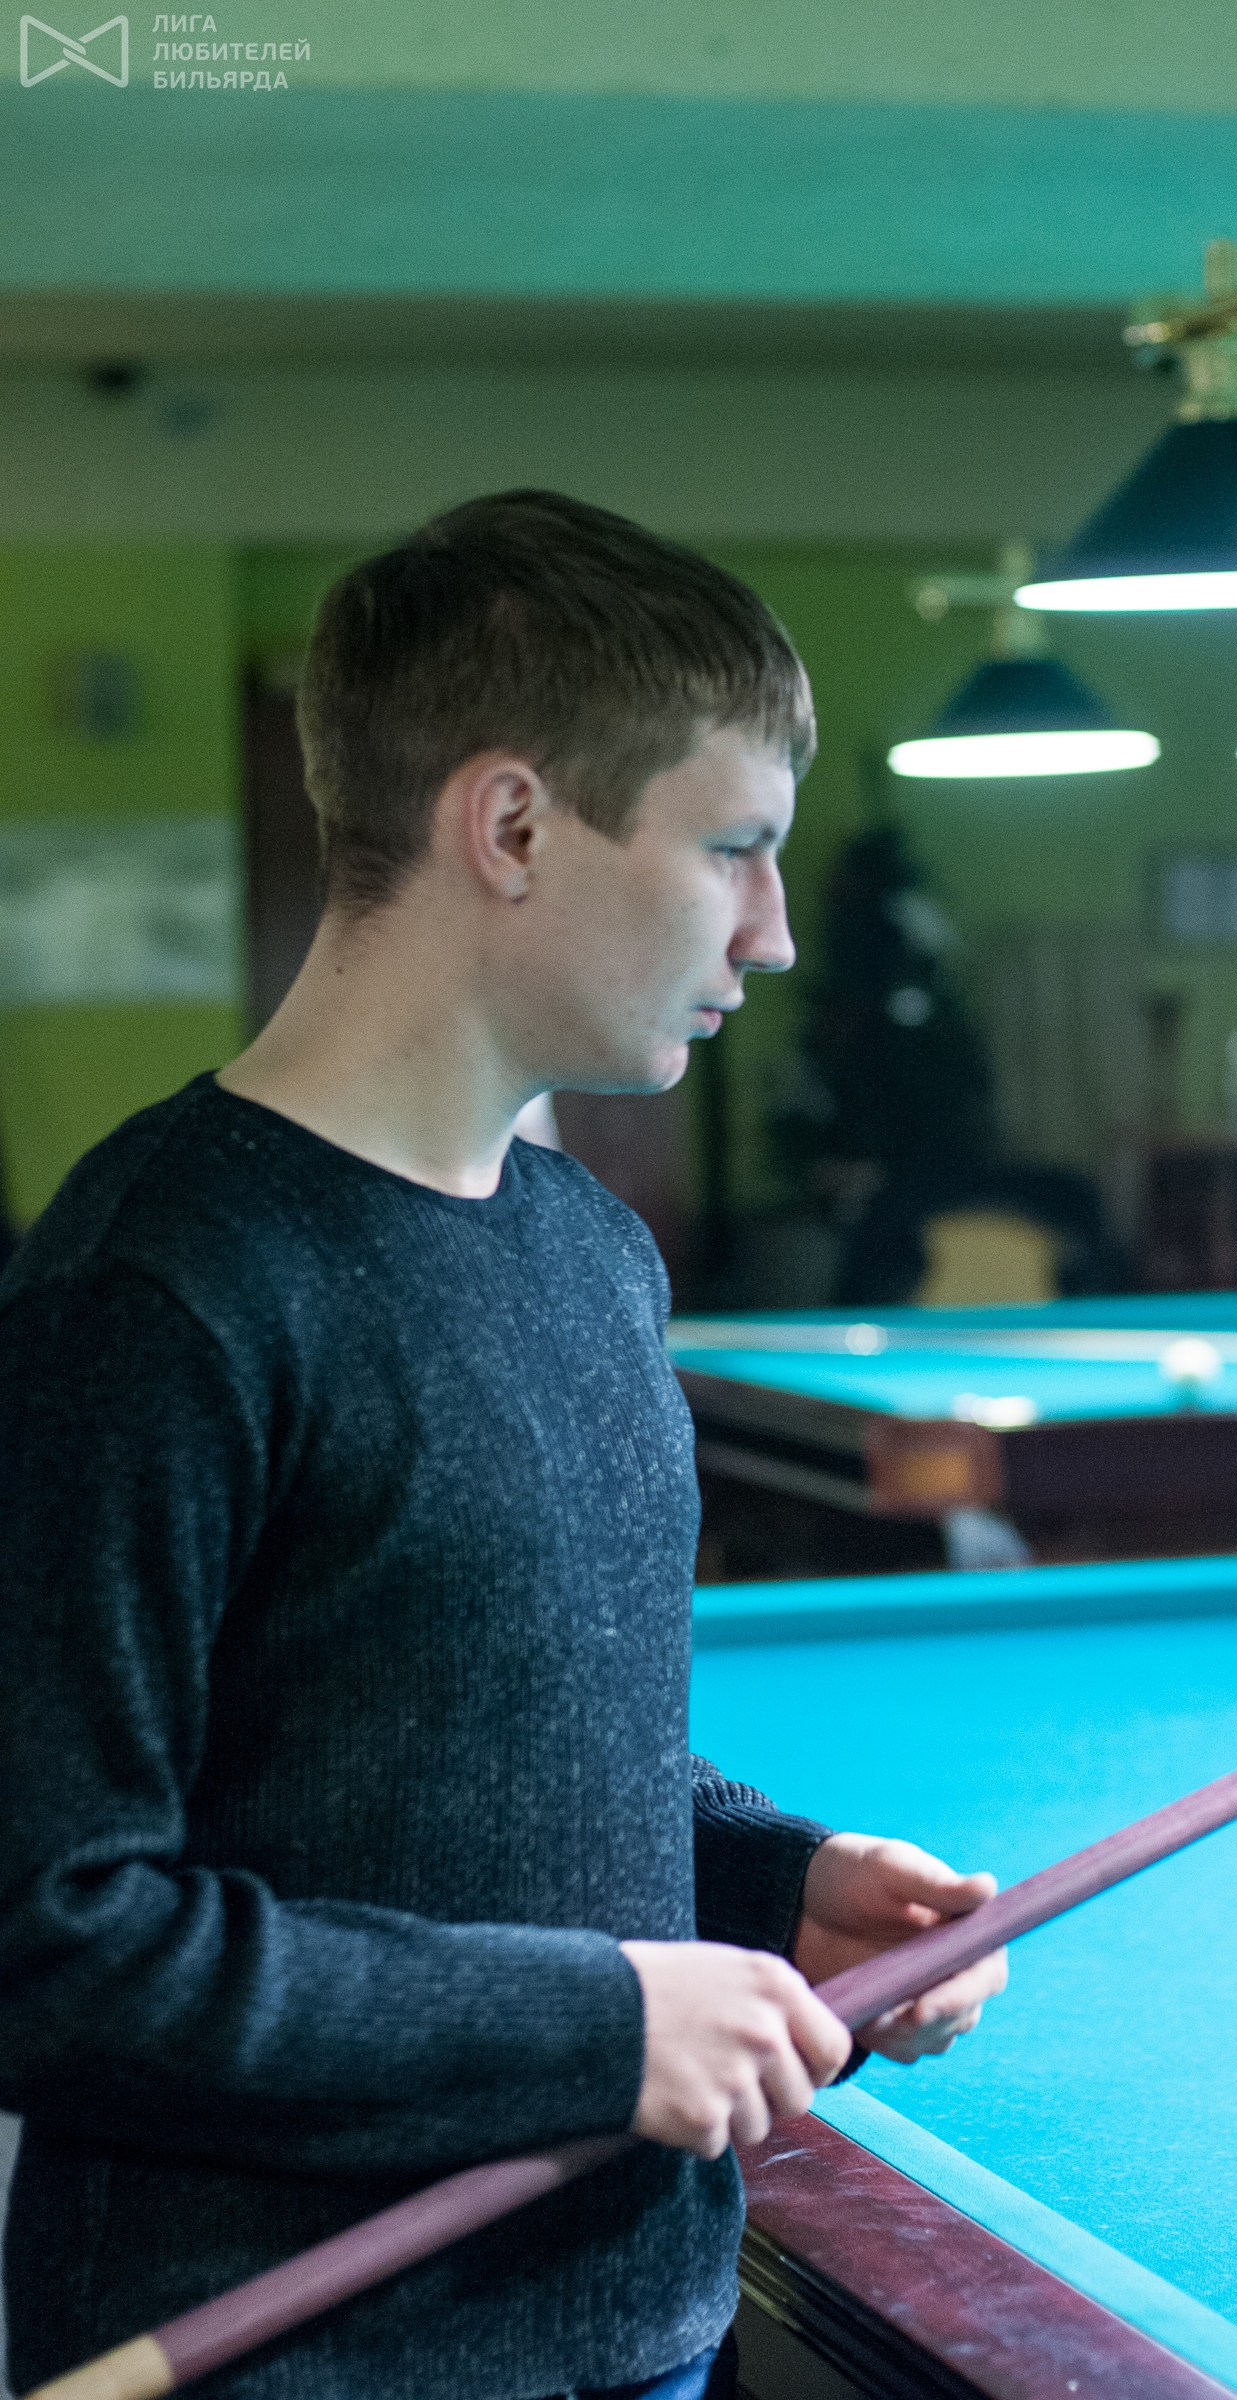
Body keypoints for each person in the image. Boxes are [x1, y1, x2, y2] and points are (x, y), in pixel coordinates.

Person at [0, 491, 1005, 2400]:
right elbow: (52, 1943)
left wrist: (767, 1880)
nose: (776, 932)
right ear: (515, 826)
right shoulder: (157, 1288)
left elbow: (475, 1743)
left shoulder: (592, 1252)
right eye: (734, 848)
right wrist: (594, 2027)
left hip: (640, 2325)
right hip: (296, 2362)